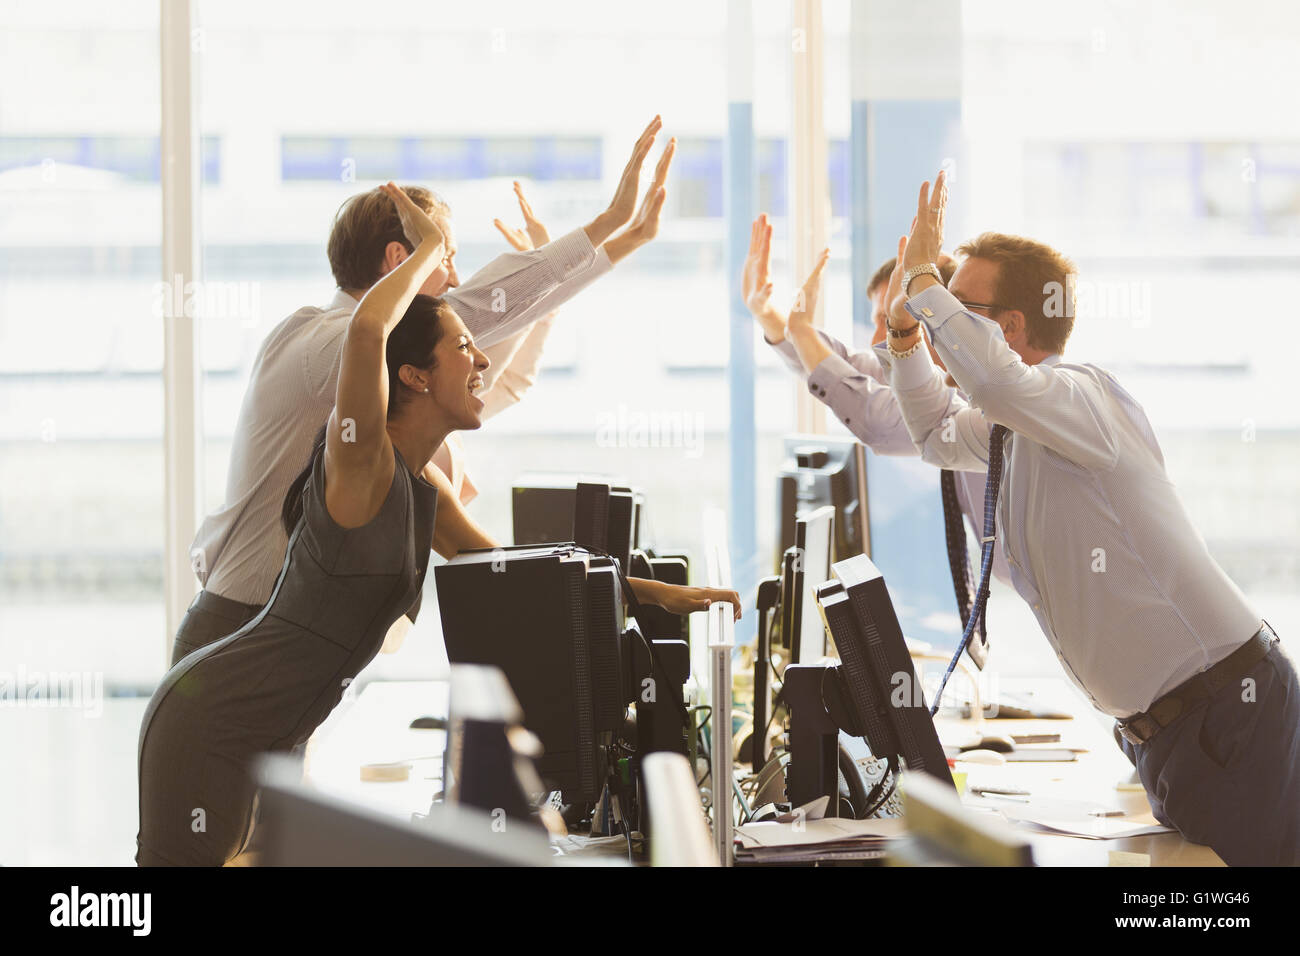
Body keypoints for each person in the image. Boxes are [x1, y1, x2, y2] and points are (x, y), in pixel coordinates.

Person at [136, 185, 736, 866]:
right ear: (415, 370)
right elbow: (386, 330)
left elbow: (530, 575)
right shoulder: (347, 409)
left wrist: (661, 594)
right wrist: (584, 236)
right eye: (462, 344)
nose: (480, 354)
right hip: (217, 706)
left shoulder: (418, 481)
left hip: (280, 708)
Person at [867, 168, 1300, 866]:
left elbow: (991, 377)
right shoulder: (1017, 426)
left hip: (1227, 717)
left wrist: (921, 280)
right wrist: (904, 334)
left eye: (956, 305)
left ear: (1008, 326)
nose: (939, 315)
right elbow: (934, 435)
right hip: (1166, 733)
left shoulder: (1081, 397)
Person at [173, 118, 674, 666]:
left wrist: (621, 241)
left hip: (280, 628)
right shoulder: (333, 342)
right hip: (240, 626)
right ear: (399, 262)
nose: (456, 278)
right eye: (446, 258)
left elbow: (496, 369)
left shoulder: (383, 370)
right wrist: (608, 225)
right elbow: (485, 308)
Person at [739, 215, 1011, 591]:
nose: (881, 338)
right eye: (881, 321)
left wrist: (801, 330)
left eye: (895, 318)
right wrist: (770, 317)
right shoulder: (938, 384)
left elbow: (879, 421)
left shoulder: (982, 405)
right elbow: (849, 368)